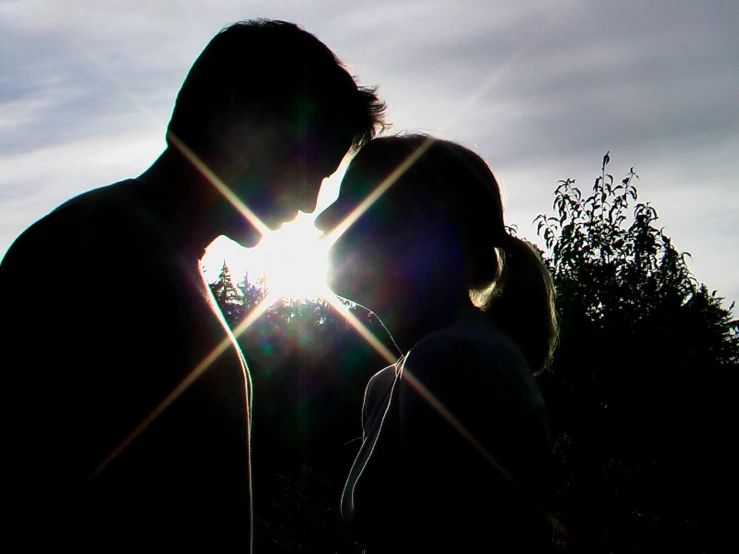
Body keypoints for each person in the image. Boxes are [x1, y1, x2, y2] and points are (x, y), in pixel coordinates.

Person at [0, 19, 385, 550]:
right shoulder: (107, 266)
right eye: (308, 165)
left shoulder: (90, 244)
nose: (307, 203)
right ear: (237, 121)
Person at [314, 134, 559, 552]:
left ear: (420, 227)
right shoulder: (396, 378)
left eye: (356, 201)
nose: (322, 221)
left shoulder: (451, 362)